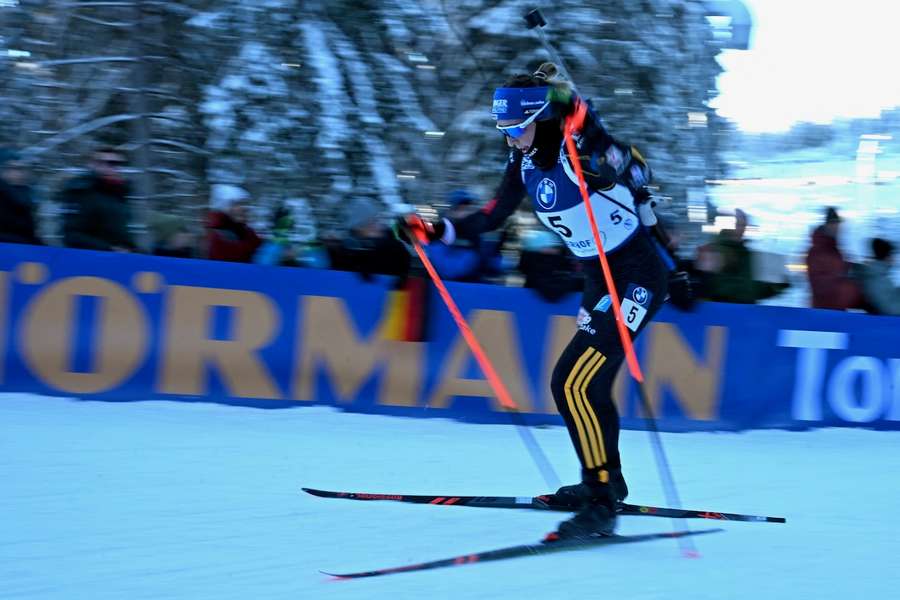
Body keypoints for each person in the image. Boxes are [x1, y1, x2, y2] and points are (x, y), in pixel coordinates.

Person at [396, 63, 678, 539]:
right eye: (504, 130)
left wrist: (599, 152)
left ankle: (601, 494)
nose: (510, 139)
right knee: (582, 384)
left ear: (542, 117)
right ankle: (606, 481)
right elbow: (490, 217)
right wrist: (435, 228)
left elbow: (634, 165)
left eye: (517, 128)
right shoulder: (524, 161)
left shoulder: (579, 144)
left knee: (574, 383)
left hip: (634, 276)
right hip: (597, 281)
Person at [60, 147, 136, 251]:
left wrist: (132, 249)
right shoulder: (81, 192)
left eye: (117, 163)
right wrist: (108, 248)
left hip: (118, 259)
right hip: (89, 259)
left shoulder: (117, 194)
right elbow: (72, 235)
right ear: (93, 165)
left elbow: (121, 233)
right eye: (109, 163)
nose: (113, 168)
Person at [805, 207, 864, 310]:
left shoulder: (833, 249)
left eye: (838, 225)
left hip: (836, 308)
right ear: (827, 225)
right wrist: (853, 288)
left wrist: (851, 267)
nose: (838, 228)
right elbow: (822, 285)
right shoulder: (818, 251)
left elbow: (836, 270)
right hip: (825, 310)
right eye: (834, 225)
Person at [204, 184, 262, 262]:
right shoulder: (217, 233)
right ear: (225, 208)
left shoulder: (247, 232)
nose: (244, 208)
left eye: (244, 204)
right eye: (237, 204)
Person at [0, 148, 41, 245]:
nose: (18, 174)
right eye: (12, 168)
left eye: (21, 169)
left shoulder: (25, 195)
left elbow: (29, 232)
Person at [858, 238, 900, 315]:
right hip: (888, 320)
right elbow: (890, 309)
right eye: (893, 255)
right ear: (888, 257)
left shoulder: (878, 274)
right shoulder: (876, 278)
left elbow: (889, 295)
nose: (895, 259)